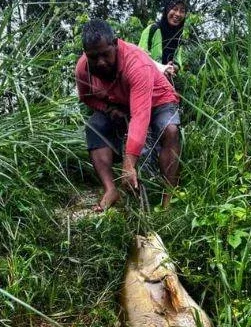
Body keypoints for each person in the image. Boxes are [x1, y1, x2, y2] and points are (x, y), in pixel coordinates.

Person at [76, 19, 182, 211]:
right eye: (94, 57)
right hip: (122, 102)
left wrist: (129, 163)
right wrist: (108, 109)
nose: (100, 62)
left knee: (170, 130)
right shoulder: (83, 68)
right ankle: (110, 190)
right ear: (86, 54)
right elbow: (86, 98)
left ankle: (169, 197)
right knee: (95, 126)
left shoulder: (136, 63)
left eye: (105, 55)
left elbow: (140, 117)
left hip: (158, 99)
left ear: (115, 44)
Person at [139, 0, 188, 79]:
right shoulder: (152, 29)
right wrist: (162, 68)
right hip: (147, 81)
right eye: (174, 9)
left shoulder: (179, 35)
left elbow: (178, 61)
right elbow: (140, 56)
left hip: (167, 84)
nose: (178, 14)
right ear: (167, 9)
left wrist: (173, 67)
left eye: (182, 11)